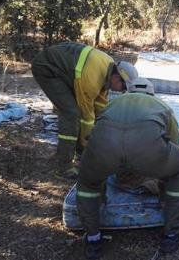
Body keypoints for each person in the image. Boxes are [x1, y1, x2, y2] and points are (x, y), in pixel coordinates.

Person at [76, 77, 179, 259]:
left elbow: (96, 131)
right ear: (151, 92)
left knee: (88, 183)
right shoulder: (161, 105)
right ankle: (173, 233)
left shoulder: (111, 104)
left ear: (128, 91)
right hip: (147, 152)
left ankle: (93, 239)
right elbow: (174, 143)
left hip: (104, 150)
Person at [31, 42, 138, 178]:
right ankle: (63, 166)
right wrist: (90, 148)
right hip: (48, 68)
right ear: (117, 78)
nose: (122, 91)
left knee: (80, 115)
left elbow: (100, 108)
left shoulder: (108, 68)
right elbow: (86, 116)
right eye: (123, 87)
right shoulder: (91, 79)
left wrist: (108, 131)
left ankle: (74, 154)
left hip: (66, 72)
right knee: (71, 113)